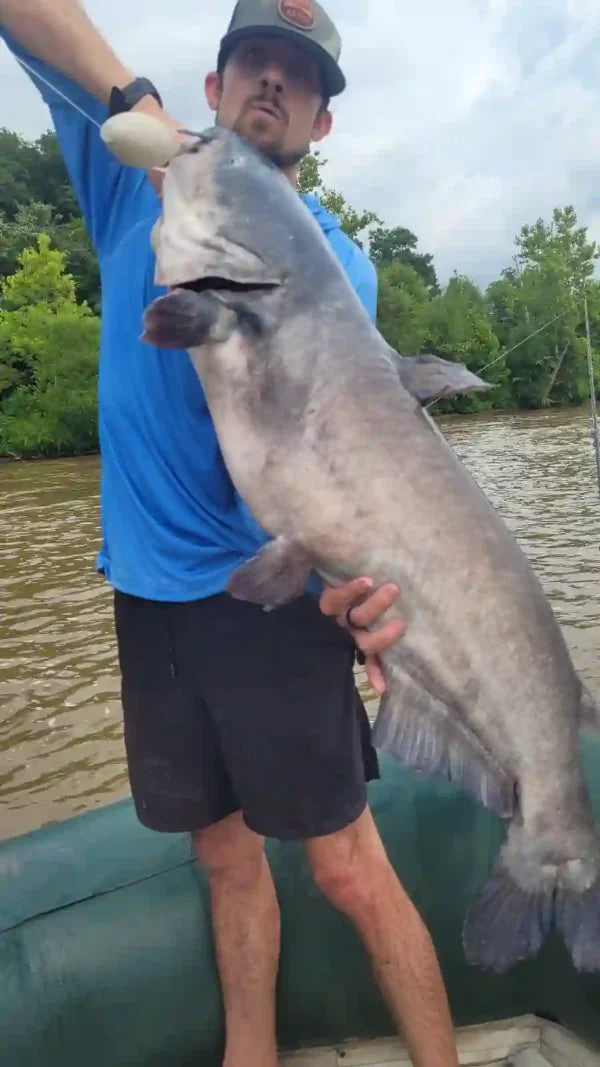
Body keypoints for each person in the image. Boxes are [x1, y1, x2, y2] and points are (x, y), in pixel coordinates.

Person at [0, 2, 459, 1064]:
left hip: (270, 599)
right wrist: (130, 101)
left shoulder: (345, 267)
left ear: (321, 123)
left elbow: (345, 466)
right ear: (210, 87)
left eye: (298, 76)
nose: (272, 81)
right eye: (252, 59)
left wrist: (362, 588)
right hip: (150, 601)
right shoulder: (129, 174)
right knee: (223, 860)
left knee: (350, 868)